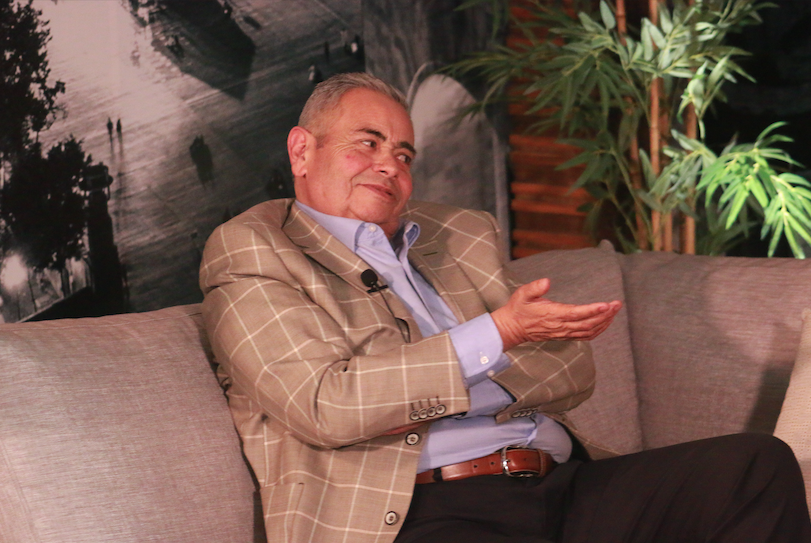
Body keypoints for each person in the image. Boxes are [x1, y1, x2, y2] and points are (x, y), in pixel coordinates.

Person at [200, 73, 811, 543]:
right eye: (368, 143)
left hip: (560, 483)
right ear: (302, 150)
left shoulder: (459, 233)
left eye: (405, 155)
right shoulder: (254, 249)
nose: (390, 164)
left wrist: (448, 369)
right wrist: (495, 338)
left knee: (754, 467)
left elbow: (572, 372)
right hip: (424, 509)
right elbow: (327, 405)